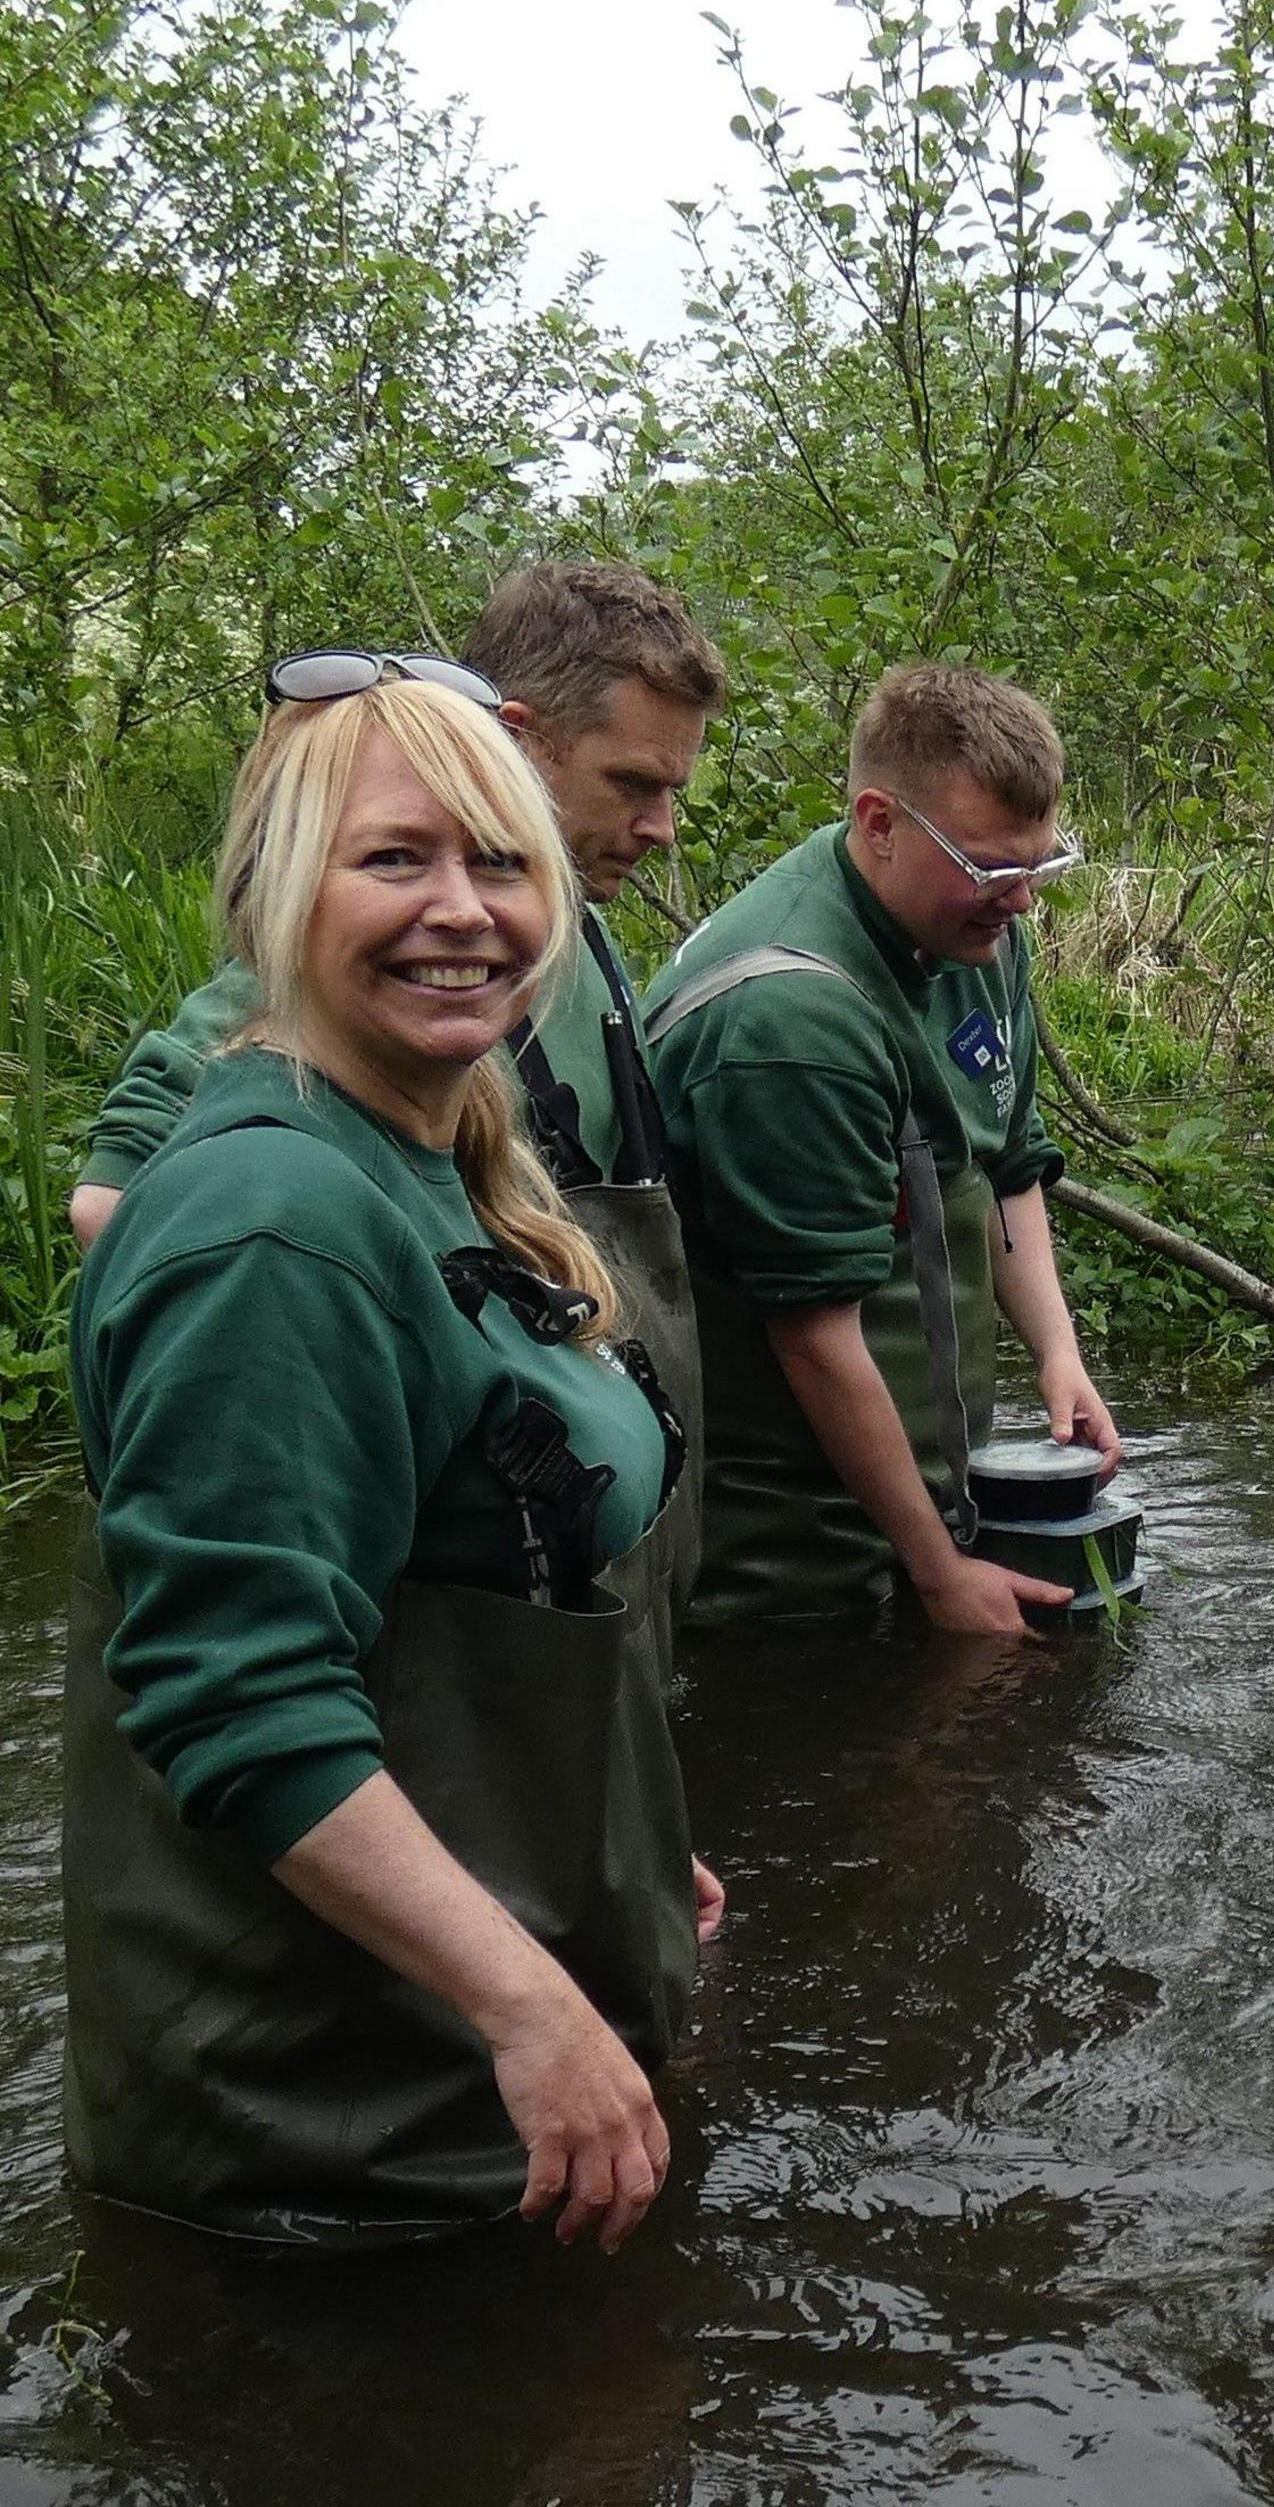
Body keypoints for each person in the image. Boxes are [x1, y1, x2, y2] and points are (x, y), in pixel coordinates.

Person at [67, 665, 709, 2250]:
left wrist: (621, 1835)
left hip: (465, 2062)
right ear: (279, 891)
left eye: (500, 862)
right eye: (394, 859)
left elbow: (476, 1599)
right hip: (348, 2141)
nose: (464, 911)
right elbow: (247, 1695)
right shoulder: (274, 1228)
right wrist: (533, 2011)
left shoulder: (437, 1146)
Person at [69, 568, 728, 1620]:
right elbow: (118, 1211)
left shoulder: (575, 942)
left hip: (586, 1577)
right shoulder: (337, 973)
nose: (662, 827)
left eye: (506, 866)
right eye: (634, 782)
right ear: (521, 738)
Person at [642, 661, 1118, 1638]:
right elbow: (813, 1340)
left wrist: (1059, 1355)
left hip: (915, 1509)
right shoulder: (790, 1018)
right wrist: (944, 1574)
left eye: (1041, 863)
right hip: (781, 1550)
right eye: (991, 866)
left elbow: (1008, 1160)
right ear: (878, 822)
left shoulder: (977, 929)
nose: (1023, 899)